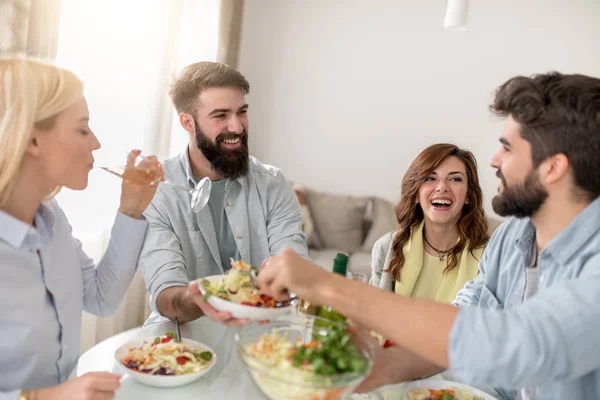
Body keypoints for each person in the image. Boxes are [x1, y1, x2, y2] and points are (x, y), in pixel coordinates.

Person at [257, 72, 600, 400]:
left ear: (553, 167)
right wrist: (387, 367)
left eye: (507, 148)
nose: (495, 160)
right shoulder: (513, 235)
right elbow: (467, 320)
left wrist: (323, 285)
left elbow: (517, 345)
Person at [0, 58, 162, 399]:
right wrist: (43, 397)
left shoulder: (50, 219)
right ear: (32, 140)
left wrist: (130, 210)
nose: (97, 143)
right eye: (82, 129)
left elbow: (101, 297)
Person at [139, 61, 308, 325]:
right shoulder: (157, 191)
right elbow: (166, 297)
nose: (237, 127)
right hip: (186, 338)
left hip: (264, 330)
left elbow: (294, 264)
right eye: (220, 116)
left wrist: (284, 276)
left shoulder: (273, 184)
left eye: (241, 112)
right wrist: (205, 298)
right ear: (187, 122)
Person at [371, 143, 489, 304]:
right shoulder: (387, 247)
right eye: (430, 178)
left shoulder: (490, 256)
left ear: (468, 196)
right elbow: (374, 316)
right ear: (416, 193)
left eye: (455, 179)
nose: (442, 187)